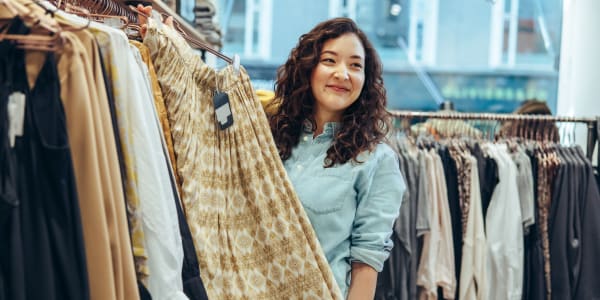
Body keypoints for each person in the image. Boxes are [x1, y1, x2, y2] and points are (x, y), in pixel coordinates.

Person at [268, 18, 405, 299]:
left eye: (356, 65)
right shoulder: (269, 139)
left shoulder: (377, 161)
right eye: (330, 60)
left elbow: (366, 263)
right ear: (308, 67)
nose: (343, 74)